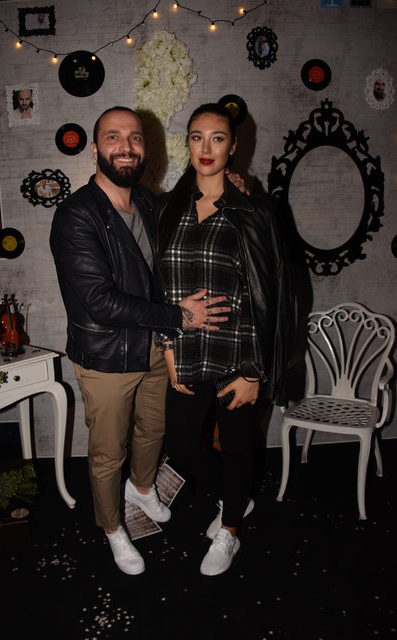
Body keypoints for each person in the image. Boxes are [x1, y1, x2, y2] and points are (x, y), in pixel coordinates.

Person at [49, 106, 231, 576]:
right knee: (109, 453)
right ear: (95, 150)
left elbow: (192, 199)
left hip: (153, 346)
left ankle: (143, 490)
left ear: (144, 149)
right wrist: (179, 316)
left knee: (154, 430)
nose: (125, 146)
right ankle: (112, 527)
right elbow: (98, 301)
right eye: (113, 137)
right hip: (106, 356)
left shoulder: (148, 203)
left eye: (134, 137)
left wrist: (230, 183)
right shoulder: (76, 214)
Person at [157, 103, 290, 576]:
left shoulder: (252, 209)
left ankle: (229, 529)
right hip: (187, 351)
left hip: (238, 352)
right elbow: (159, 287)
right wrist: (168, 348)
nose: (207, 147)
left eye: (217, 138)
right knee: (181, 446)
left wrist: (255, 371)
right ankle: (235, 497)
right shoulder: (169, 208)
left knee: (237, 447)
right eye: (197, 137)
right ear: (188, 144)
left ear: (233, 146)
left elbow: (269, 293)